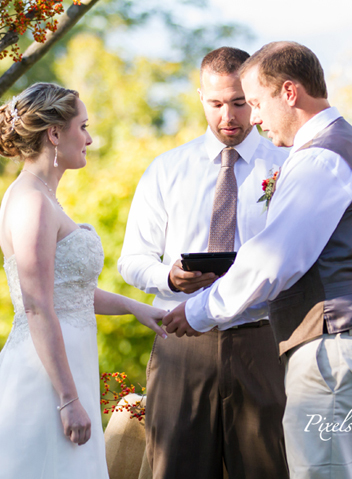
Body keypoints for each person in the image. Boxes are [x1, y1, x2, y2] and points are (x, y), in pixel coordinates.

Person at [163, 42, 352, 479]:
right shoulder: (342, 145)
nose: (252, 117)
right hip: (351, 342)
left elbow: (272, 262)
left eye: (255, 102)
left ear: (289, 92)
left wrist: (198, 311)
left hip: (336, 352)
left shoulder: (321, 158)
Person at [0, 82, 167, 479]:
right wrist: (68, 400)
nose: (88, 138)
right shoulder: (31, 202)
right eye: (82, 126)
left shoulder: (43, 198)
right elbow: (37, 305)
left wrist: (135, 307)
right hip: (45, 377)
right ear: (54, 134)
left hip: (69, 363)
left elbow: (70, 292)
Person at [118, 47, 289, 479]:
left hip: (263, 342)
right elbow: (132, 260)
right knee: (176, 470)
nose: (227, 116)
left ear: (255, 96)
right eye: (215, 104)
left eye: (238, 102)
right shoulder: (166, 170)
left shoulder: (288, 166)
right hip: (182, 346)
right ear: (200, 97)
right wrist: (170, 278)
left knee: (269, 470)